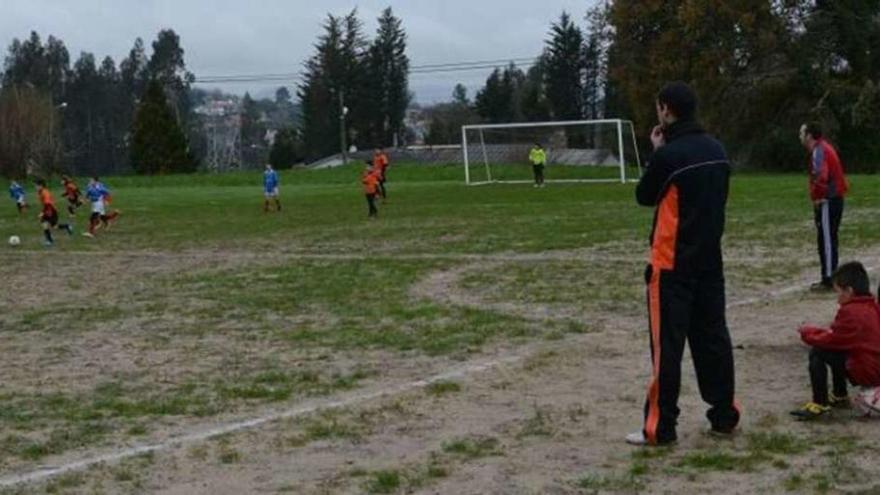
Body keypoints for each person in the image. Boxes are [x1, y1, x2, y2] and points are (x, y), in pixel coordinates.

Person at [627, 82, 739, 446]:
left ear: (666, 110)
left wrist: (658, 151)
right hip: (710, 261)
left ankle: (661, 426)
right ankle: (724, 415)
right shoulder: (717, 150)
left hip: (672, 266)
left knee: (667, 348)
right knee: (713, 341)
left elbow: (644, 195)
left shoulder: (669, 156)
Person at [791, 262, 880, 420]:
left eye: (838, 292)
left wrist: (807, 334)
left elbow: (832, 340)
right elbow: (839, 336)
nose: (837, 299)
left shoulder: (851, 312)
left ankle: (819, 403)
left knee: (818, 352)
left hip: (869, 371)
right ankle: (840, 396)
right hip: (873, 364)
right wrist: (816, 331)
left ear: (849, 291)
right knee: (839, 351)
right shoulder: (871, 305)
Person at [799, 123, 848, 291]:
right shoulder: (823, 148)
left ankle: (828, 279)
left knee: (826, 240)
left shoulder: (819, 151)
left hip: (828, 201)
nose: (800, 136)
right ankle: (830, 276)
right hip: (834, 199)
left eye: (802, 133)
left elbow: (821, 176)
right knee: (829, 239)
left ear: (809, 135)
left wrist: (819, 197)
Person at [35, 179, 73, 246]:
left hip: (51, 211)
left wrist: (42, 213)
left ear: (41, 186)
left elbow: (48, 204)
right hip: (47, 210)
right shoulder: (40, 192)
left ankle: (67, 226)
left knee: (53, 226)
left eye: (36, 186)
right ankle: (50, 241)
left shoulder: (45, 192)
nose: (35, 187)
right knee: (45, 225)